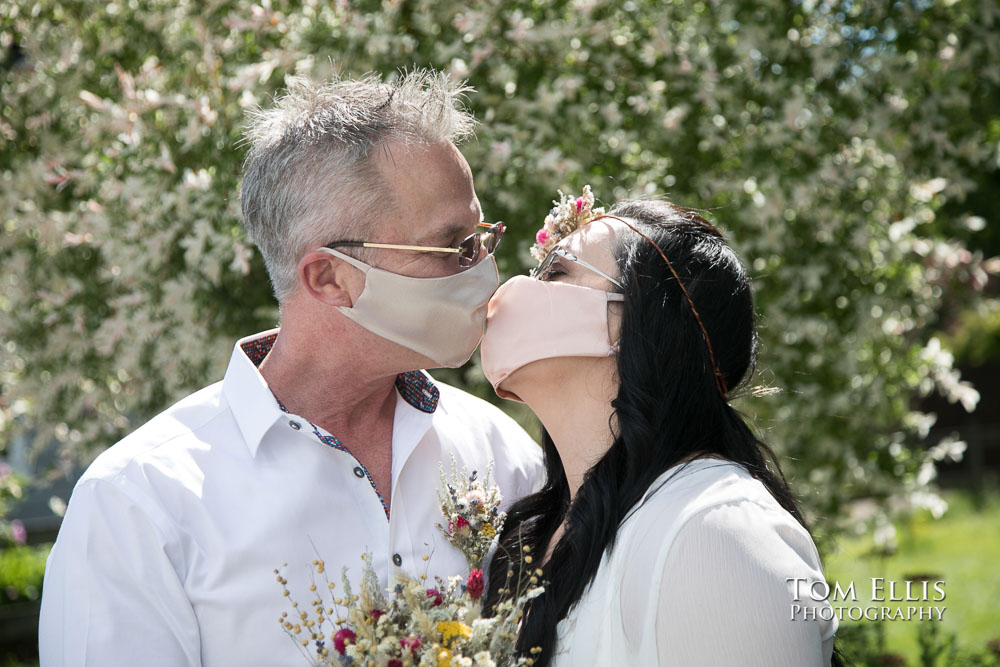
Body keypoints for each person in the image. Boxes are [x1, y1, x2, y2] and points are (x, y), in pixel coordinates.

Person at [38, 70, 544, 666]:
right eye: (452, 246)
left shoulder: (499, 450)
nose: (482, 267)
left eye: (481, 237)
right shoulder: (139, 503)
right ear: (329, 279)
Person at [480, 190, 840, 666]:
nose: (517, 287)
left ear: (637, 321)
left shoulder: (714, 535)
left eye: (557, 271)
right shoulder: (535, 530)